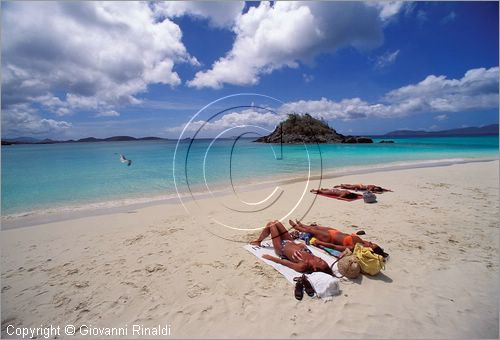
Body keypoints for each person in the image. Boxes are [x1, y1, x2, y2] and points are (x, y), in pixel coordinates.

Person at [250, 220, 333, 275]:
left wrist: (270, 258)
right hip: (290, 241)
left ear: (315, 268)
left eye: (321, 262)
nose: (321, 259)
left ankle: (259, 241)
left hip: (281, 248)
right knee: (276, 222)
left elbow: (285, 263)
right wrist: (301, 246)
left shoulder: (303, 266)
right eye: (323, 260)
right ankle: (259, 240)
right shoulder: (313, 258)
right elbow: (303, 249)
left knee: (271, 224)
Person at [289, 219, 389, 258]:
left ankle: (298, 227)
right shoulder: (363, 242)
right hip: (336, 232)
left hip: (329, 237)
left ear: (369, 250)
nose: (370, 242)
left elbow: (335, 247)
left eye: (371, 245)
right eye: (372, 243)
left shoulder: (355, 248)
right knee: (315, 227)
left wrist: (319, 242)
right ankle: (302, 225)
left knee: (311, 230)